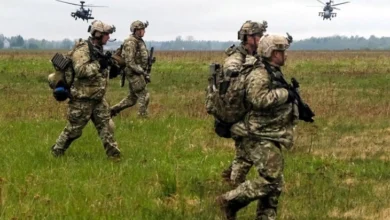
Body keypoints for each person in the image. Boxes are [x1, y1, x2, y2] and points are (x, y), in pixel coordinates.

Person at [217, 35, 298, 220]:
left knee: (275, 182)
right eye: (281, 51)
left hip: (269, 132)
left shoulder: (271, 70)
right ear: (271, 53)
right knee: (271, 180)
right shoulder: (260, 73)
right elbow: (259, 99)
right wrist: (285, 94)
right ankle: (229, 200)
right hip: (256, 133)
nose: (285, 55)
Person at [51, 20, 121, 158]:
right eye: (106, 34)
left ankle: (115, 156)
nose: (108, 37)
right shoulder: (82, 50)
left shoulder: (97, 50)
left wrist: (110, 69)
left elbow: (98, 72)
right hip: (82, 100)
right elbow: (81, 71)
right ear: (98, 34)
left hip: (97, 98)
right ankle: (57, 151)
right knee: (74, 130)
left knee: (106, 128)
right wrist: (99, 65)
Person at [221, 20, 268, 186]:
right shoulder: (236, 59)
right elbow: (233, 79)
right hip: (237, 114)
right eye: (257, 36)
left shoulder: (256, 56)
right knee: (248, 153)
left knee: (243, 154)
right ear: (247, 38)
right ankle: (234, 187)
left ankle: (231, 179)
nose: (260, 39)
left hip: (249, 113)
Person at [110, 20, 150, 117]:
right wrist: (141, 71)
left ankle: (111, 111)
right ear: (135, 30)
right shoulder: (131, 42)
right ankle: (142, 117)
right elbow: (129, 62)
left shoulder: (139, 41)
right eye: (140, 30)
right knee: (144, 95)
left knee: (132, 99)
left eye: (143, 29)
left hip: (138, 71)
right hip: (132, 72)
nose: (142, 31)